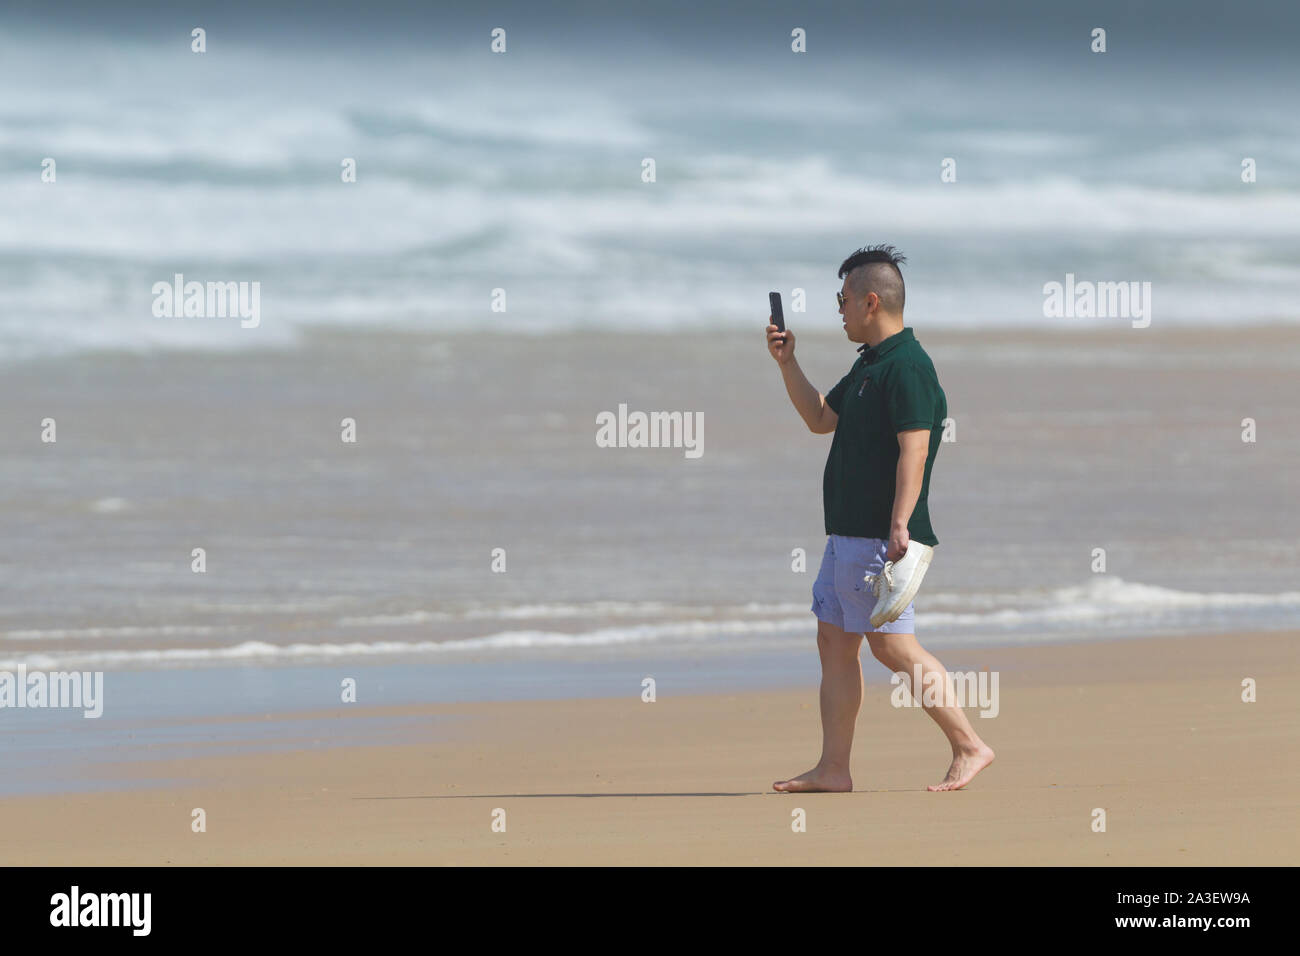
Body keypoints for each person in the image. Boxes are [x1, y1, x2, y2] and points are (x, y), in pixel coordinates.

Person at [765, 244, 995, 792]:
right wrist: (787, 362)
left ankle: (970, 745)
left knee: (893, 646)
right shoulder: (871, 363)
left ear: (871, 302)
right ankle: (834, 769)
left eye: (842, 300)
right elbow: (821, 418)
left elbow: (915, 448)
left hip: (880, 538)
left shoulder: (908, 367)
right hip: (847, 534)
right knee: (834, 642)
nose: (838, 310)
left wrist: (899, 524)